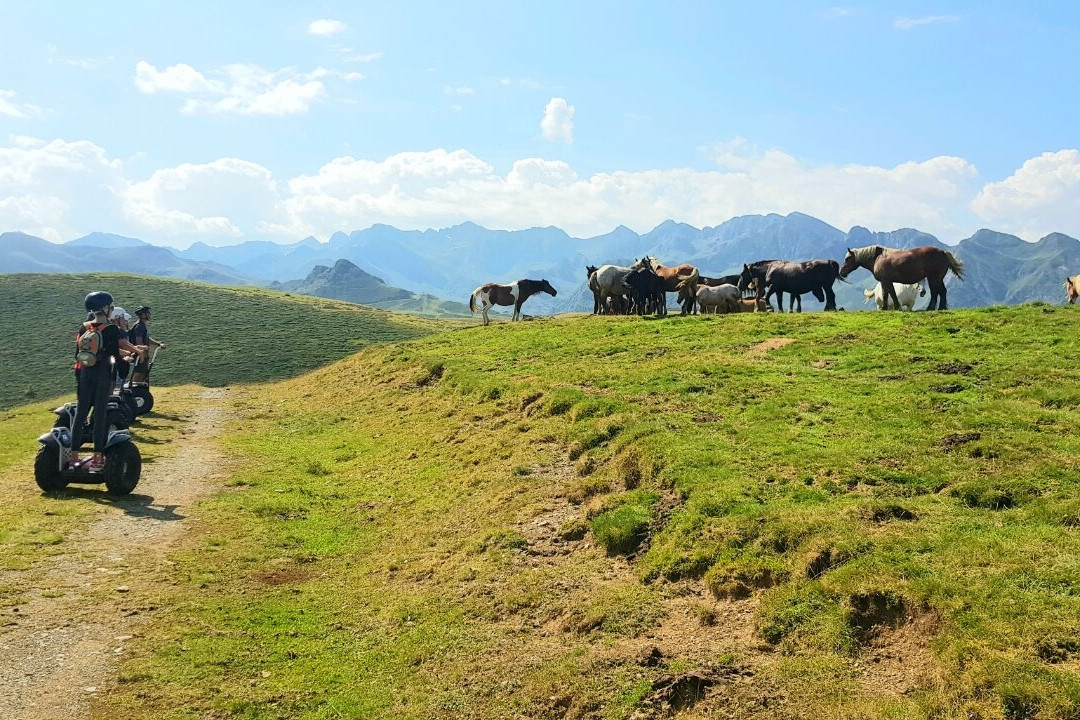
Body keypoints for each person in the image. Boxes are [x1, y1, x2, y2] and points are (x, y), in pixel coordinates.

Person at [70, 292, 141, 471]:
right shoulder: (110, 329)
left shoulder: (84, 327)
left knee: (80, 413)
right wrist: (130, 359)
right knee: (100, 414)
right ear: (104, 308)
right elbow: (117, 351)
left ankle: (73, 456)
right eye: (110, 306)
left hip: (84, 374)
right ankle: (97, 457)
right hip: (102, 375)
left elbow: (76, 354)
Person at [128, 306, 165, 383]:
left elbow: (147, 339)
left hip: (141, 354)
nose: (150, 314)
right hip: (140, 356)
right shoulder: (139, 326)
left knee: (143, 374)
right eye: (148, 313)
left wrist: (158, 344)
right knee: (139, 374)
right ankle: (133, 390)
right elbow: (139, 341)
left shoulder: (142, 325)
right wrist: (143, 354)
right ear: (143, 315)